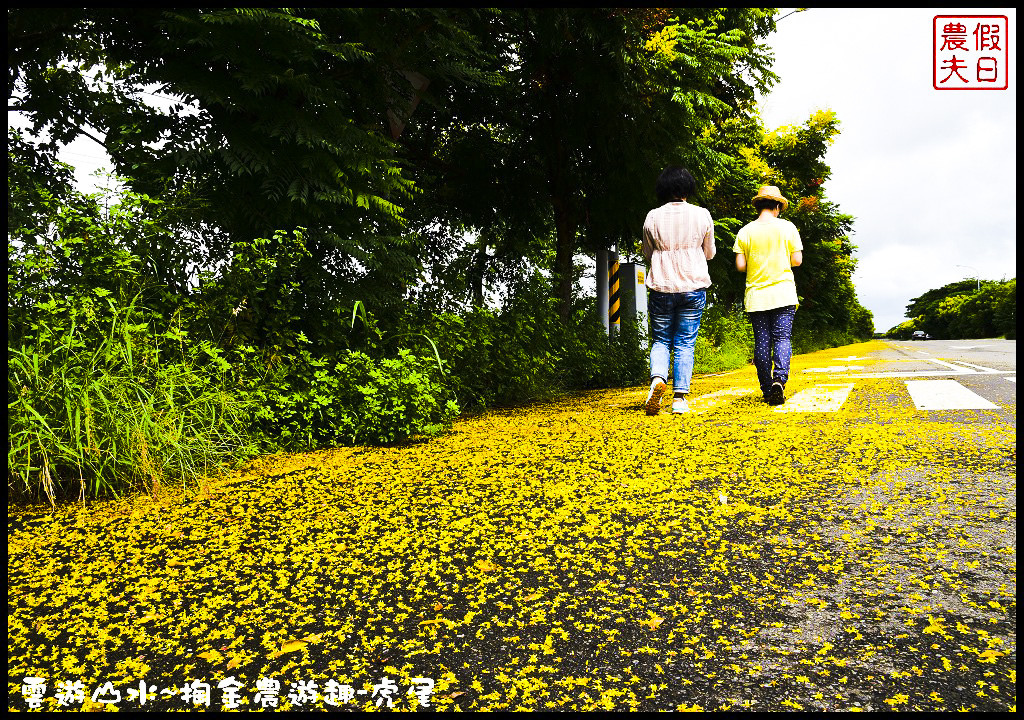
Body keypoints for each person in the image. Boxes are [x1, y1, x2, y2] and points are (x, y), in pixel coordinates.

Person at [642, 166, 715, 415]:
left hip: (662, 285)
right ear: (688, 189)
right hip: (693, 285)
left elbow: (648, 252)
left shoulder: (652, 216)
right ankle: (679, 399)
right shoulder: (702, 215)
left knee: (661, 340)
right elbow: (710, 253)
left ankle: (657, 379)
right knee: (685, 343)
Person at [732, 185, 804, 406]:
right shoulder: (788, 228)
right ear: (777, 206)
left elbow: (740, 265)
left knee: (762, 342)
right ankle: (779, 381)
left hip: (757, 296)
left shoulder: (745, 231)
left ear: (759, 206)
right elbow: (797, 260)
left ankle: (766, 387)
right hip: (783, 293)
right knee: (782, 338)